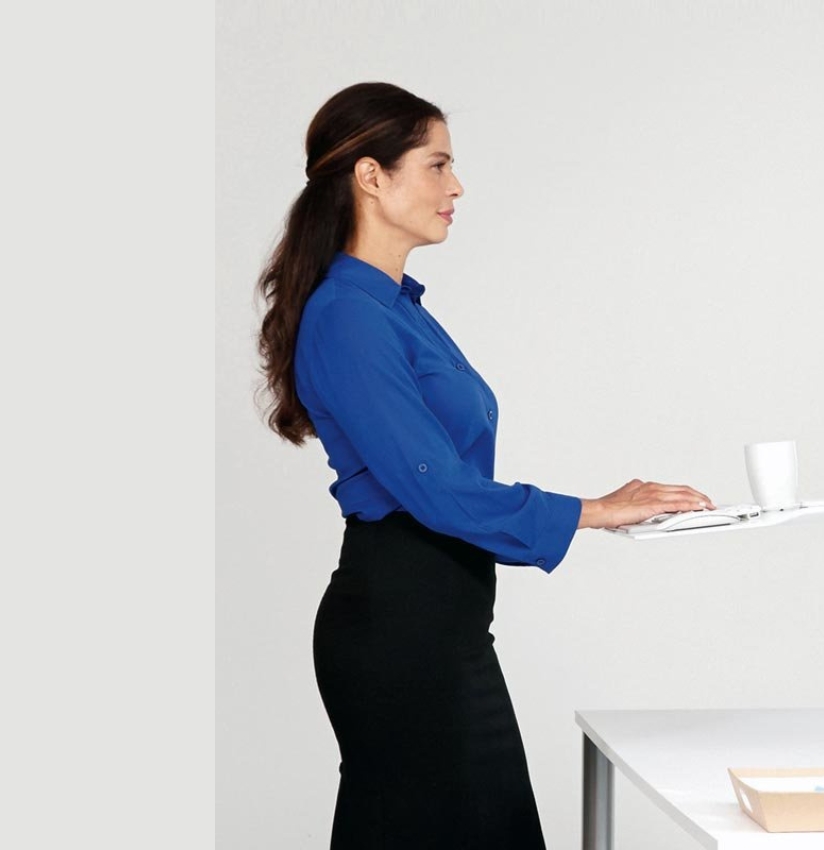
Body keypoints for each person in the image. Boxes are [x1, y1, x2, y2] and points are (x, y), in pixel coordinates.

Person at [254, 81, 714, 849]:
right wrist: (594, 510)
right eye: (437, 165)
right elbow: (436, 489)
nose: (456, 186)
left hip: (439, 621)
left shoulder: (396, 308)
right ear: (371, 177)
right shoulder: (349, 315)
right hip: (404, 626)